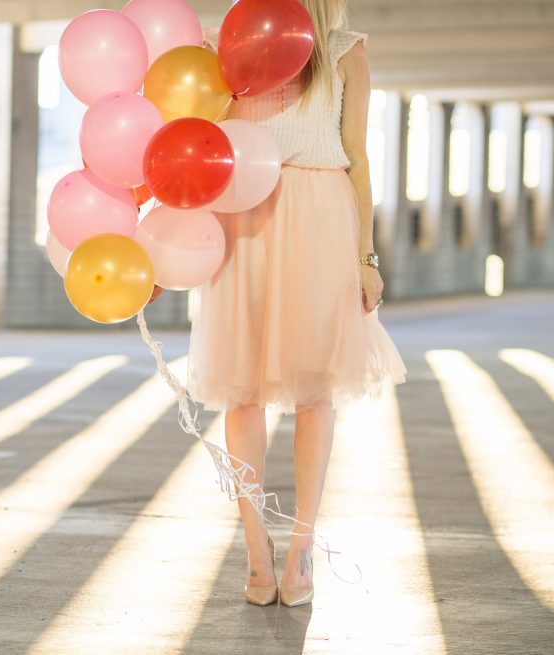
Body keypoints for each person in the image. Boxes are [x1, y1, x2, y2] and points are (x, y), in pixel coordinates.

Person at [150, 0, 407, 607]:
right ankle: (258, 554)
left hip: (318, 219)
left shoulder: (345, 50)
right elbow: (191, 144)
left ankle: (299, 555)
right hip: (243, 219)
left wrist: (366, 257)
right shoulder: (224, 42)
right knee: (241, 389)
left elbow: (358, 157)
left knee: (315, 389)